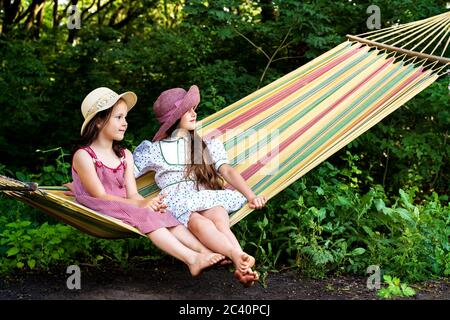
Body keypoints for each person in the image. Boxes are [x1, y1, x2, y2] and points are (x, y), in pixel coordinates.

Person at [70, 87, 225, 277]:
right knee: (146, 214)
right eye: (118, 117)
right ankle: (191, 259)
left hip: (126, 204)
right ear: (99, 121)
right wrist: (142, 204)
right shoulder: (84, 156)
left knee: (162, 212)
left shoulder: (125, 155)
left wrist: (147, 202)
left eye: (125, 118)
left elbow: (133, 193)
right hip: (101, 206)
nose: (125, 123)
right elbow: (100, 195)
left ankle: (204, 252)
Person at [133, 85, 267, 287]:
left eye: (194, 108)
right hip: (178, 202)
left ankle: (241, 264)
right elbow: (123, 174)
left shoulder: (205, 144)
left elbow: (227, 171)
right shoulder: (154, 150)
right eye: (188, 110)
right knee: (200, 224)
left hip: (205, 195)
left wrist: (251, 195)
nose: (194, 113)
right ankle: (239, 259)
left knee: (220, 222)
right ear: (175, 117)